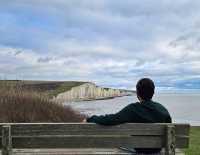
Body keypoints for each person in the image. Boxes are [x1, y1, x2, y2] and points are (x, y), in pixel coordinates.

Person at [85, 78, 172, 154]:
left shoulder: (133, 109)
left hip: (138, 148)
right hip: (157, 149)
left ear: (137, 93)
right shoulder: (162, 109)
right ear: (153, 92)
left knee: (120, 144)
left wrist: (91, 118)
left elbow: (111, 119)